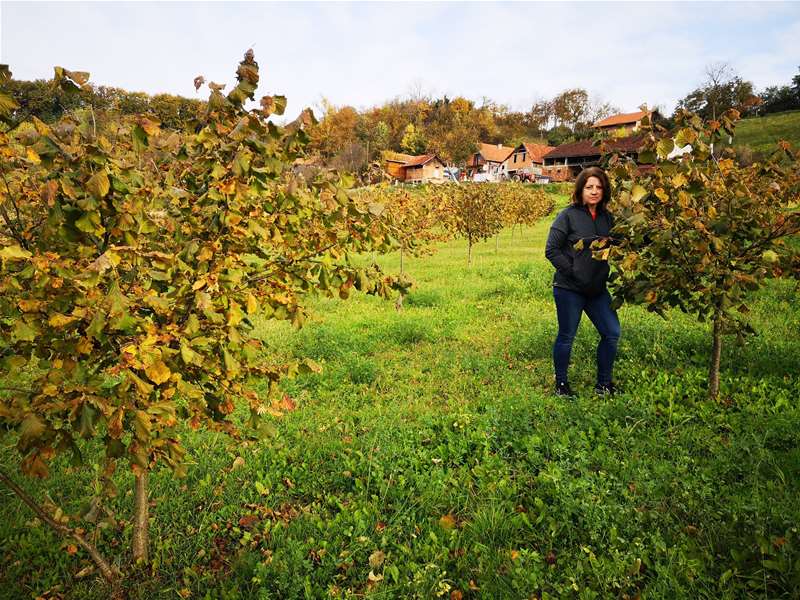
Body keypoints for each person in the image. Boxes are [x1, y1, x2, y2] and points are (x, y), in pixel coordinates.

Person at [544, 166, 620, 397]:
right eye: (589, 187)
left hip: (597, 290)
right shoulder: (567, 215)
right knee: (567, 336)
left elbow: (623, 242)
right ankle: (562, 385)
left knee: (611, 332)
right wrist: (574, 272)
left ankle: (604, 385)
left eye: (598, 187)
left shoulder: (609, 218)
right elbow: (552, 250)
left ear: (604, 191)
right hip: (570, 289)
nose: (594, 191)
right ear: (581, 189)